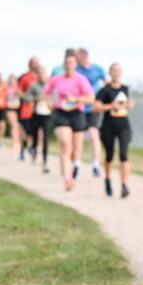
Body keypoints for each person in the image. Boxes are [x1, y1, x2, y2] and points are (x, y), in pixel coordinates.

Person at [45, 52, 94, 190]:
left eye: (72, 63)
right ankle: (67, 178)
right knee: (66, 146)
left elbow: (90, 97)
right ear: (64, 64)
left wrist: (77, 99)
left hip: (77, 113)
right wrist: (49, 102)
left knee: (76, 149)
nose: (69, 66)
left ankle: (75, 165)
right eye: (66, 63)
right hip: (61, 113)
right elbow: (46, 93)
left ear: (75, 65)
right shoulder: (56, 79)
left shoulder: (81, 79)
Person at [94, 63, 135, 198]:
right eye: (114, 70)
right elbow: (96, 107)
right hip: (108, 125)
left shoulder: (125, 88)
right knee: (110, 155)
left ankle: (124, 185)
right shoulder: (104, 90)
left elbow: (129, 103)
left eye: (119, 70)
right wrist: (111, 106)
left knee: (124, 154)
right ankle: (107, 179)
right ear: (110, 73)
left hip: (123, 125)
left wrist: (129, 105)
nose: (116, 73)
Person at [76, 48, 107, 179]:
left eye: (80, 57)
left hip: (93, 108)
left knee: (94, 135)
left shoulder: (98, 69)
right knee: (79, 138)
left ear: (85, 56)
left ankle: (95, 164)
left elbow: (106, 84)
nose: (79, 60)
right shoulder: (76, 70)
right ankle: (76, 164)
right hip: (80, 107)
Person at [23, 67, 52, 173]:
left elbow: (56, 97)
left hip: (47, 114)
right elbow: (26, 98)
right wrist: (36, 99)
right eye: (40, 74)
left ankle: (45, 162)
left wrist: (50, 102)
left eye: (43, 73)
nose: (42, 76)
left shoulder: (50, 85)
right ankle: (33, 149)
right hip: (36, 113)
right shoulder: (33, 86)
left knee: (45, 138)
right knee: (35, 137)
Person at [17, 58, 42, 160]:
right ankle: (23, 149)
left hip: (40, 109)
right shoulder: (25, 77)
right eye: (34, 63)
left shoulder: (42, 78)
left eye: (37, 63)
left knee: (38, 131)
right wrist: (27, 98)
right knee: (26, 131)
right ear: (30, 65)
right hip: (27, 108)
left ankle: (34, 149)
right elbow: (18, 91)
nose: (36, 65)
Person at [4, 74, 22, 156]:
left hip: (18, 108)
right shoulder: (6, 88)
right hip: (9, 108)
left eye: (13, 80)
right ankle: (15, 143)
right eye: (10, 80)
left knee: (18, 126)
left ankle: (19, 141)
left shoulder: (19, 87)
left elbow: (22, 96)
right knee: (14, 125)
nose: (12, 81)